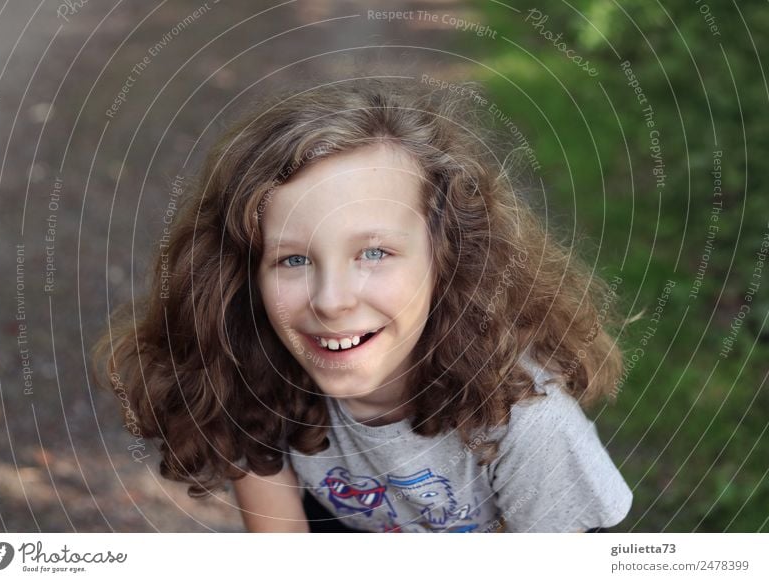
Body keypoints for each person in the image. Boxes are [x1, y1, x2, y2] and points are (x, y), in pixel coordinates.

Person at [93, 78, 634, 533]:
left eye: (374, 252)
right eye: (292, 260)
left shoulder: (528, 424)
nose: (331, 301)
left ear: (450, 258)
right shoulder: (246, 371)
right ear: (244, 274)